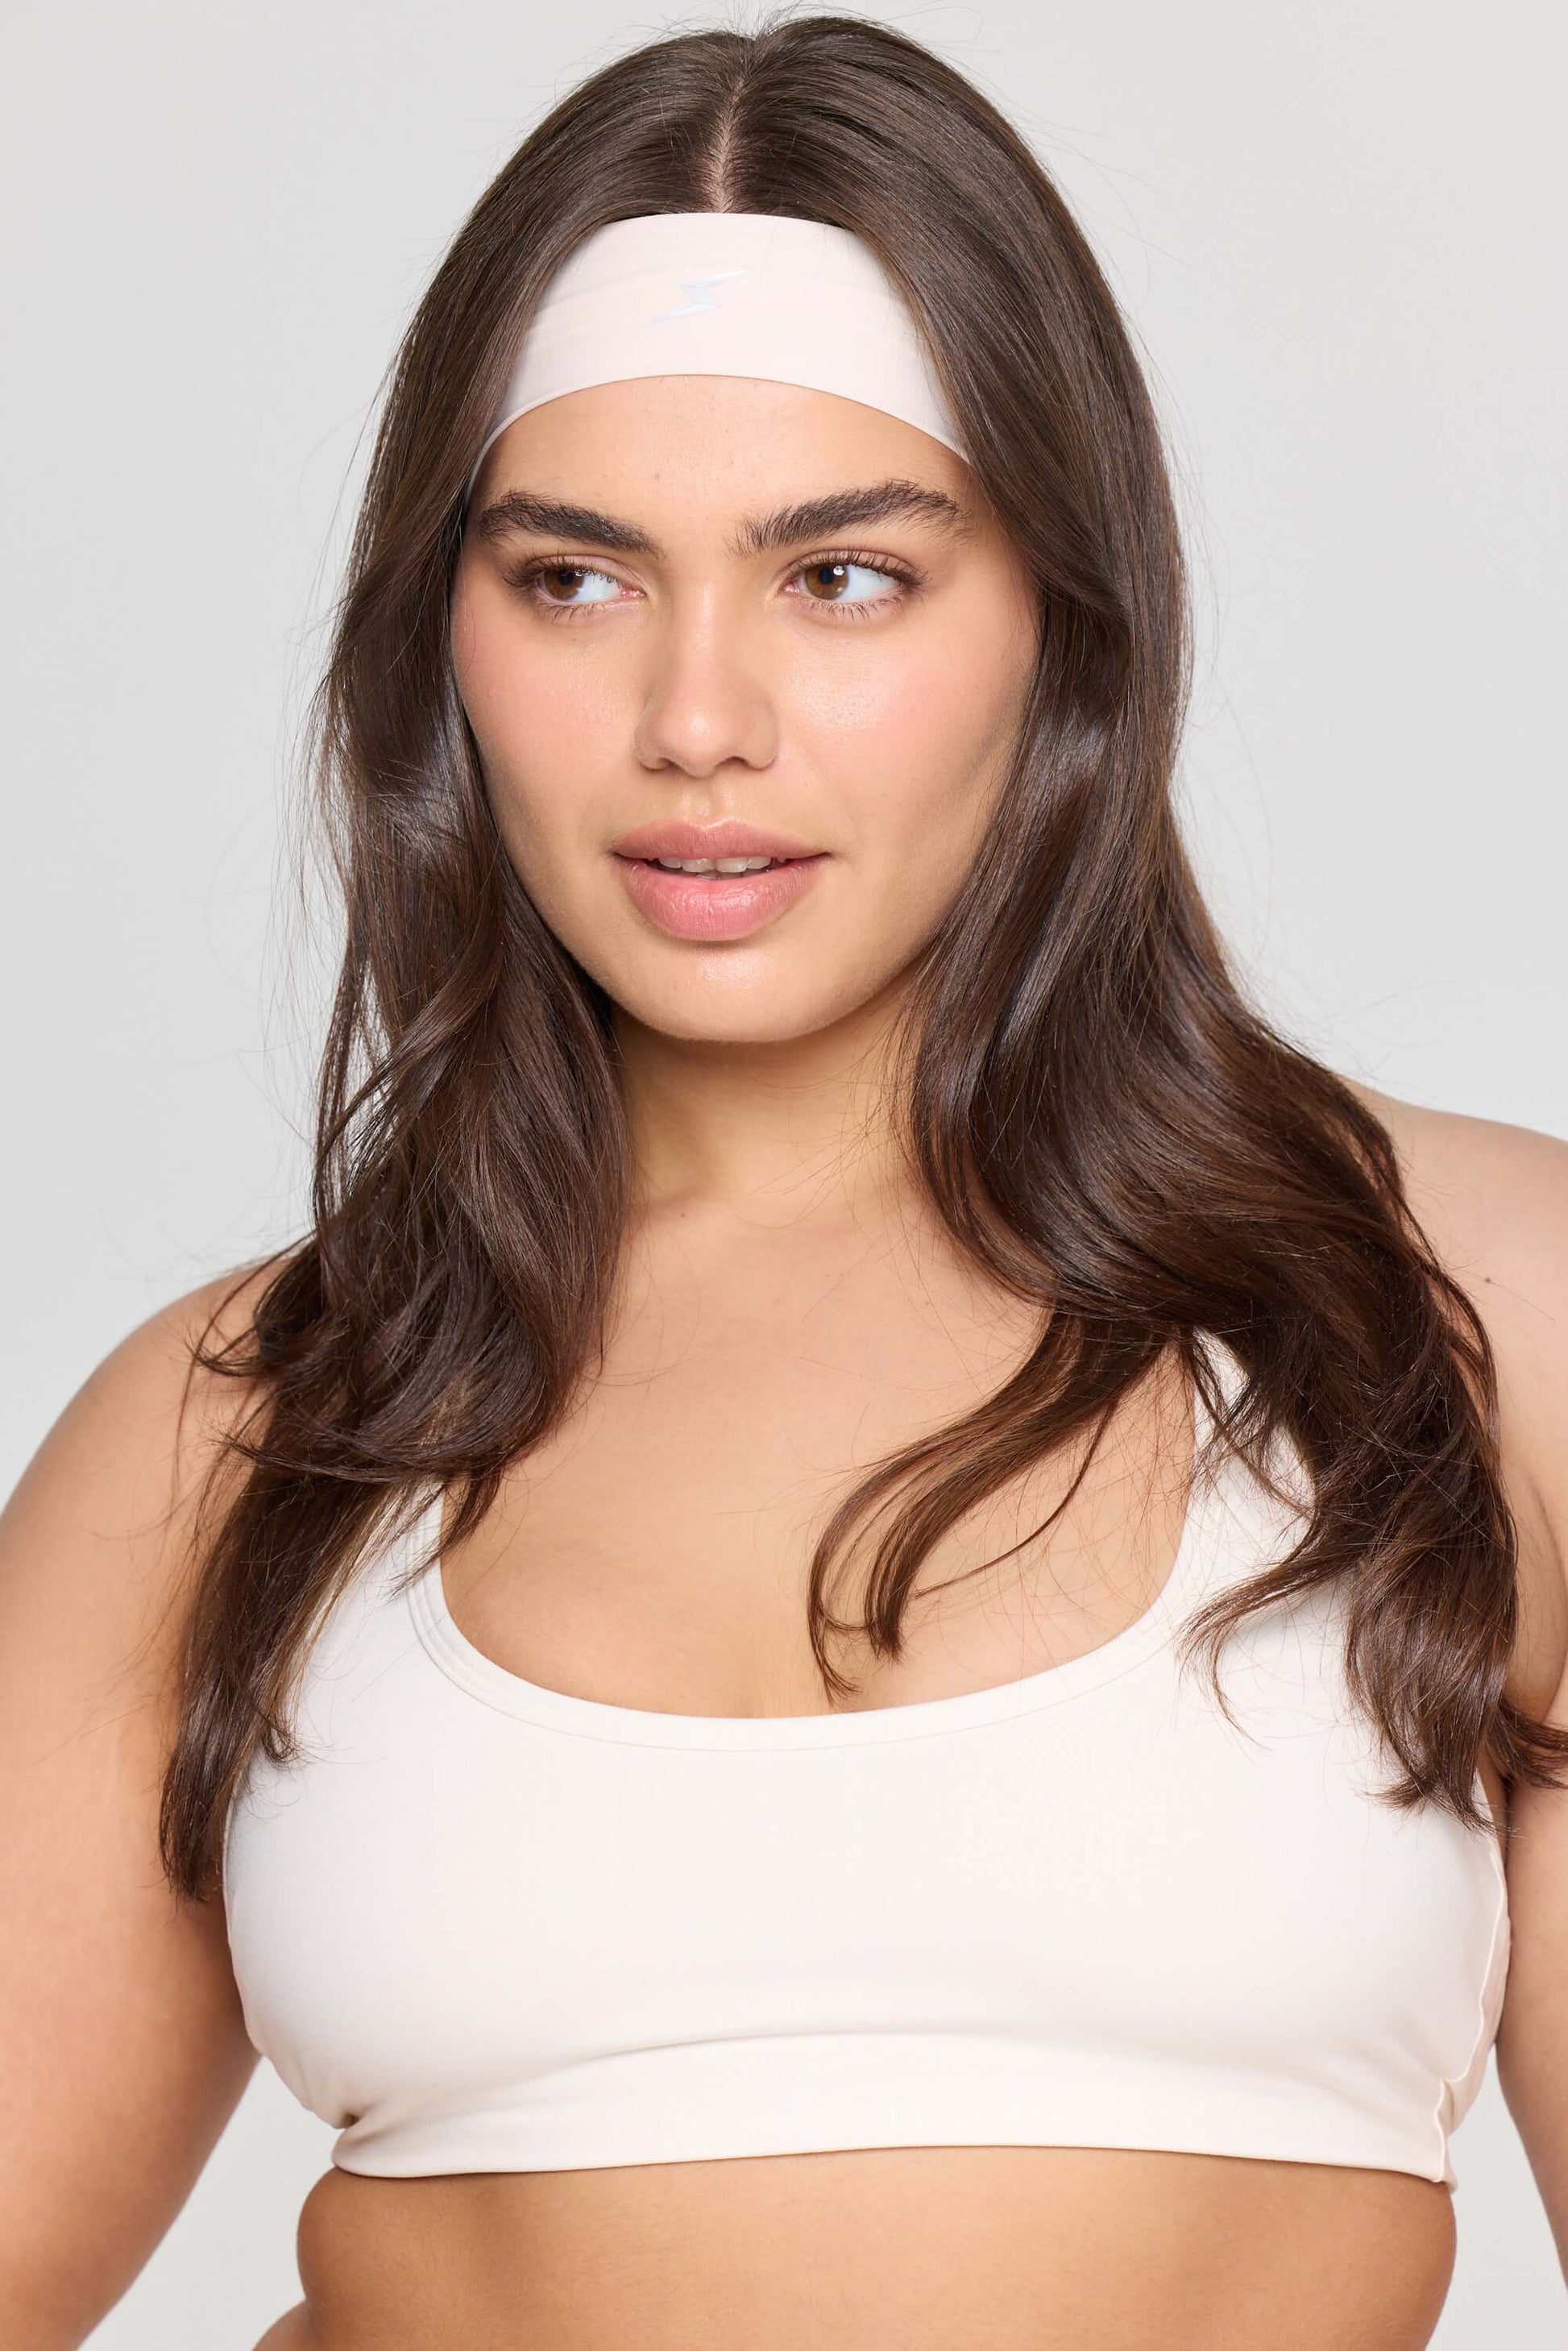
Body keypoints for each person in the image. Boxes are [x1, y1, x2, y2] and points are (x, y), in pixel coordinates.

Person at [3, 15, 1566, 2350]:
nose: (695, 721)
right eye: (572, 578)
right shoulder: (243, 1430)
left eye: (842, 576)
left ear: (1060, 623)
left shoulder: (1464, 1316)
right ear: (445, 636)